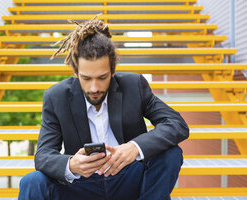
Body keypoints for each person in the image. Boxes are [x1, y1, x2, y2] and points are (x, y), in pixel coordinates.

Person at [18, 16, 189, 200]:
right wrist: (71, 164)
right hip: (82, 185)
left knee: (170, 153)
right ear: (75, 72)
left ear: (113, 71)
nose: (94, 88)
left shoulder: (134, 85)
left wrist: (135, 147)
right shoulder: (56, 97)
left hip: (128, 178)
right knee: (32, 181)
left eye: (102, 77)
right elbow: (43, 155)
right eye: (86, 78)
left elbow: (176, 124)